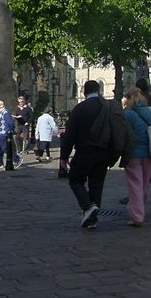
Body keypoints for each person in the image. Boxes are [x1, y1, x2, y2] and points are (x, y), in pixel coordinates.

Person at [60, 80, 111, 229]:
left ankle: (88, 206)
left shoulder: (79, 108)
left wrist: (64, 156)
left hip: (84, 152)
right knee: (96, 185)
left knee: (75, 179)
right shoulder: (107, 108)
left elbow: (70, 135)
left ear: (84, 92)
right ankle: (92, 219)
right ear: (99, 91)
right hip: (103, 152)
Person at [122, 87, 151, 227]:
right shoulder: (148, 112)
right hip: (149, 153)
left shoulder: (128, 114)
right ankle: (140, 211)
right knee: (144, 185)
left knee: (135, 185)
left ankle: (137, 217)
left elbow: (124, 135)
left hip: (134, 154)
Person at [0, 100, 23, 169]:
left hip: (4, 134)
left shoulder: (5, 113)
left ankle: (17, 159)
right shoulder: (1, 113)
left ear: (0, 106)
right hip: (0, 134)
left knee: (6, 148)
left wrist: (12, 130)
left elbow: (10, 123)